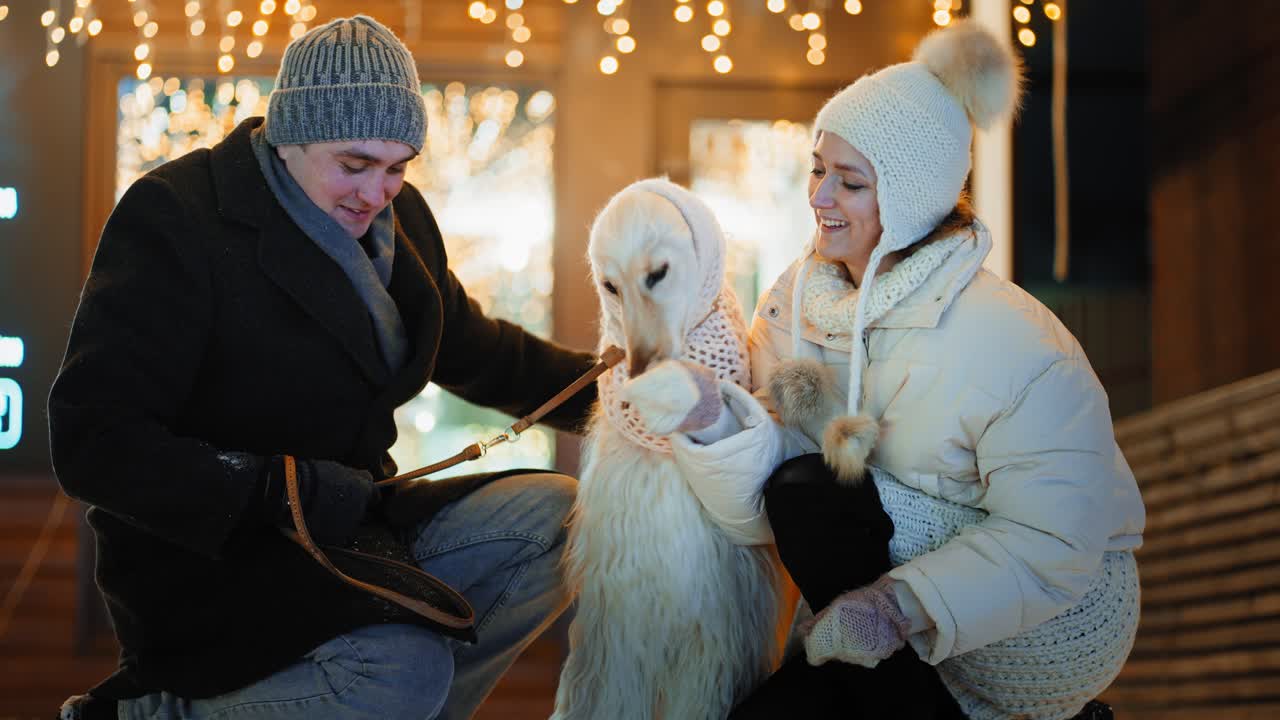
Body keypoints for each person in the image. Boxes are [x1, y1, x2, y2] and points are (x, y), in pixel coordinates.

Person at [51, 15, 599, 720]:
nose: (377, 193)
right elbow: (92, 439)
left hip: (358, 530)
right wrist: (280, 491)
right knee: (405, 672)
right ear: (290, 137)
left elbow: (479, 351)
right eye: (356, 164)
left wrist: (622, 397)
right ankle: (152, 714)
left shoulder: (400, 224)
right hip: (214, 564)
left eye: (399, 167)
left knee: (560, 516)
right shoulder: (176, 217)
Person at [622, 19, 1145, 720]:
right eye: (817, 169)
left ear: (908, 198)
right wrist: (713, 422)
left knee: (813, 488)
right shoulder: (794, 305)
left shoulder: (1015, 343)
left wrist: (899, 606)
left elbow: (1054, 537)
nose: (818, 197)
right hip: (867, 614)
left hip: (1044, 625)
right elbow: (770, 505)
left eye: (850, 182)